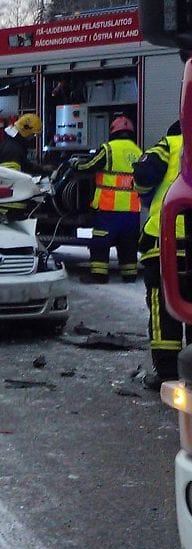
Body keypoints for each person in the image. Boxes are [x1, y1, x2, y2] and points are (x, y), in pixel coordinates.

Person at [134, 119, 184, 390]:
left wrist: (146, 196)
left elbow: (143, 174)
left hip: (165, 243)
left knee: (163, 307)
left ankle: (167, 374)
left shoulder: (171, 143)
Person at [74, 116, 143, 284]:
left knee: (100, 242)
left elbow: (88, 166)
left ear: (113, 132)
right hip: (132, 210)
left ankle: (99, 275)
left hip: (109, 209)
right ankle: (129, 274)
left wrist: (75, 164)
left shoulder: (108, 149)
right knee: (128, 244)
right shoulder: (138, 152)